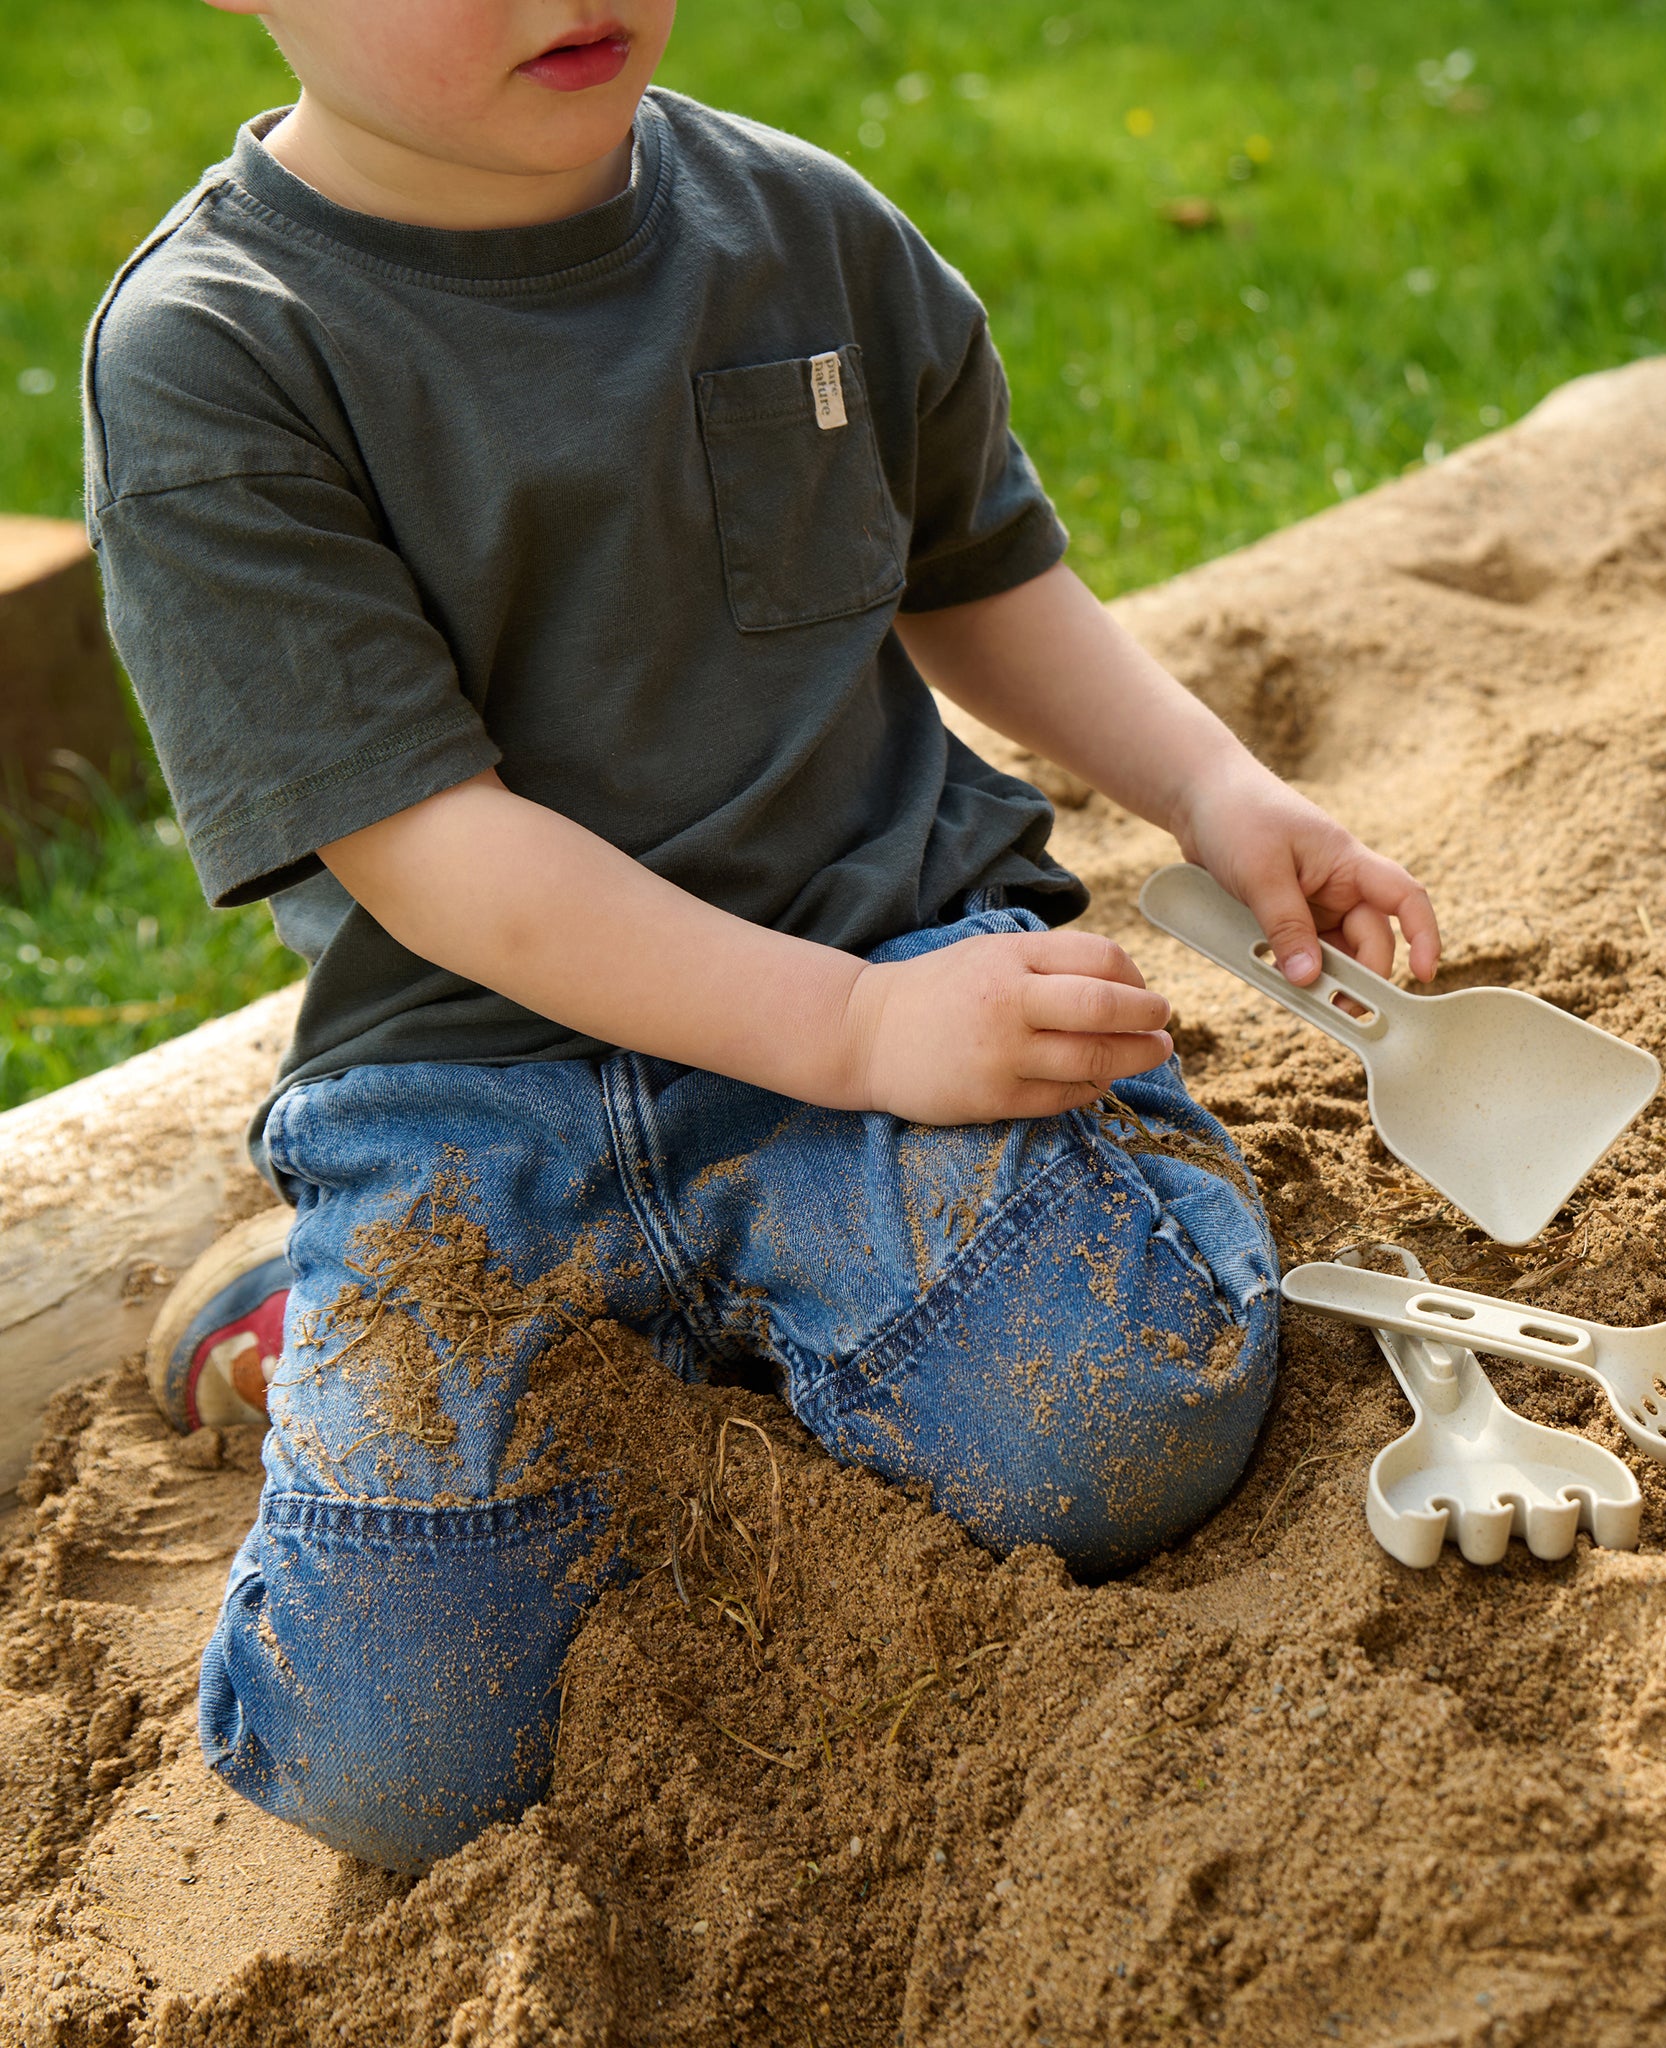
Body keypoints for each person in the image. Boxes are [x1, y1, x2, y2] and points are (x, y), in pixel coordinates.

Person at [88, 0, 1439, 1873]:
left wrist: (1215, 793)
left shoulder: (799, 229)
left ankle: (822, 1302)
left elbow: (982, 570)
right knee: (396, 1772)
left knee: (1126, 1423)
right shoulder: (221, 354)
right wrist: (853, 1043)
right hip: (481, 1095)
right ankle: (309, 1325)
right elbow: (439, 851)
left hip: (877, 957)